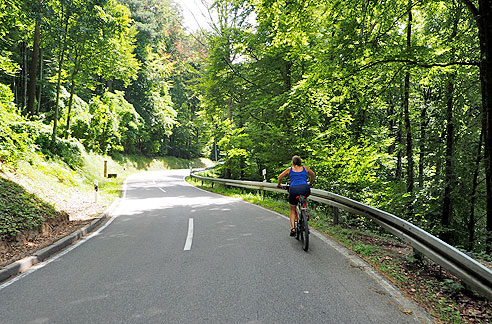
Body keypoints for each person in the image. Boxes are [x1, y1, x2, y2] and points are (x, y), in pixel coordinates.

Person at [277, 155, 315, 236]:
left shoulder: (289, 169)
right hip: (305, 188)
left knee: (292, 209)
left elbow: (280, 177)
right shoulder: (305, 168)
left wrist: (279, 184)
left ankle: (293, 228)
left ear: (293, 163)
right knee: (305, 197)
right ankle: (306, 212)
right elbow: (313, 174)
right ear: (300, 162)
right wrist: (310, 183)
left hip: (294, 189)